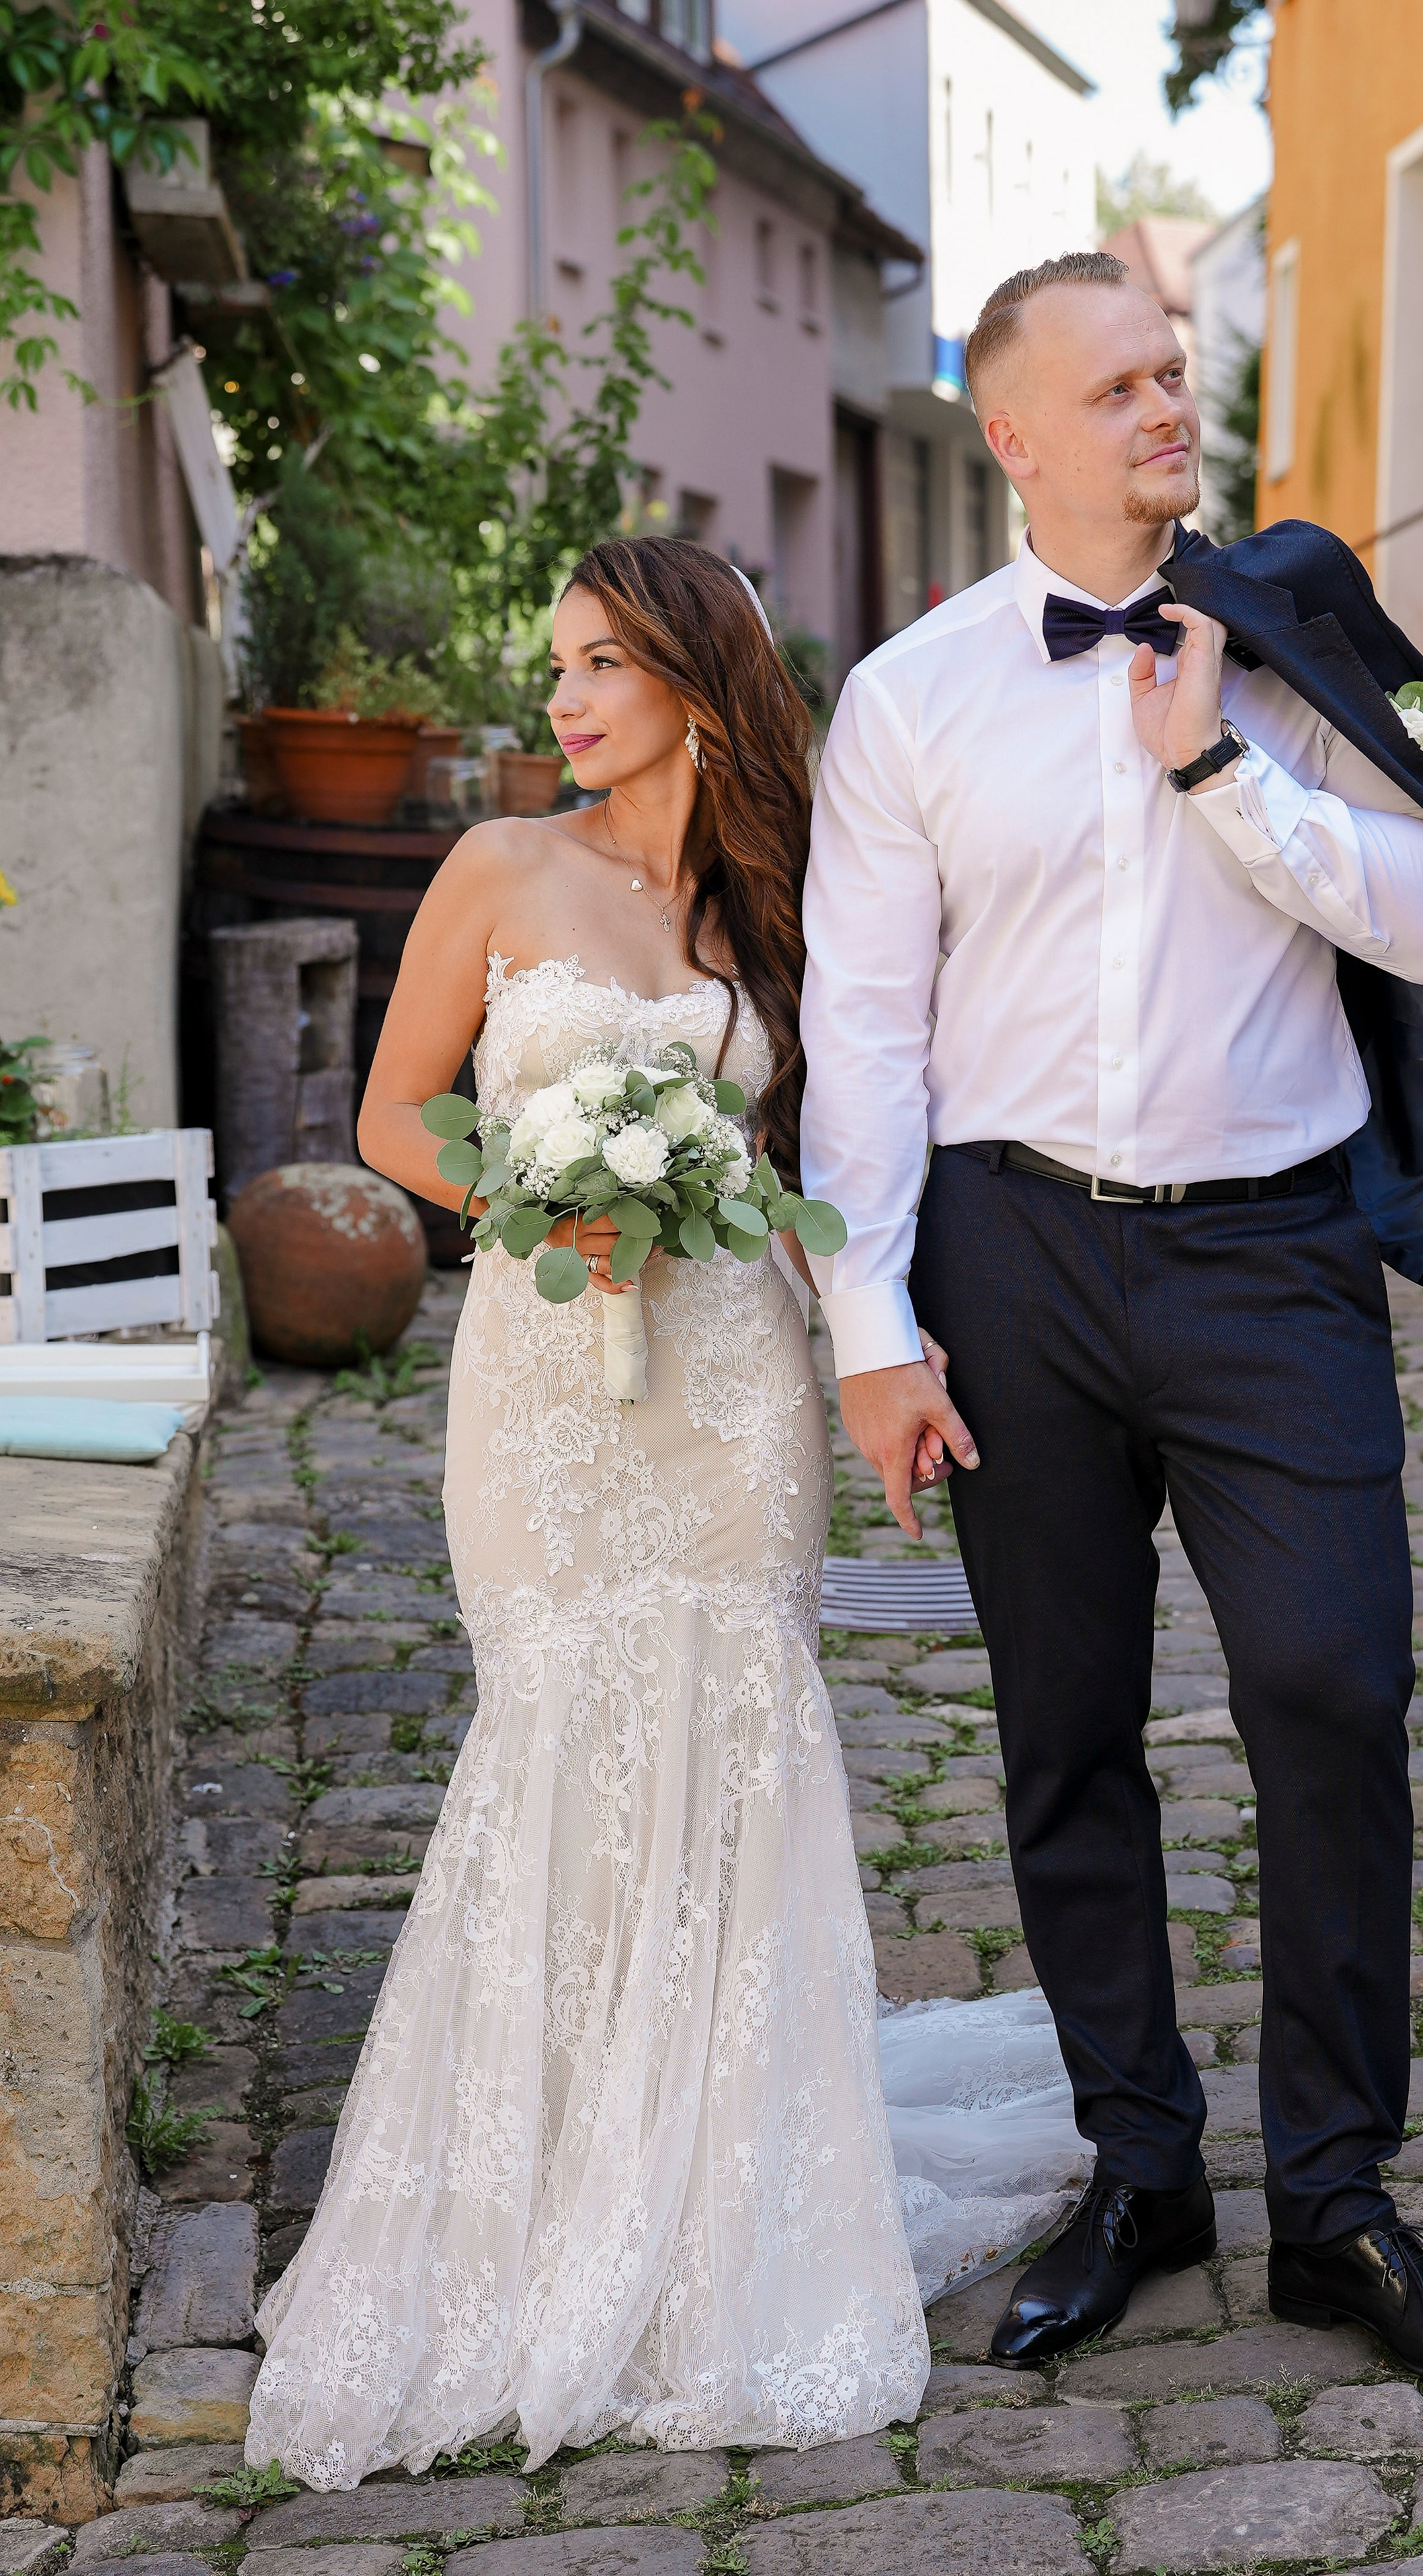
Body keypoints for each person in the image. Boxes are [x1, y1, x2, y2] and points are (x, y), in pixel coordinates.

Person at [799, 250, 1423, 2387]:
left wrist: (1225, 767)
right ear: (1011, 427)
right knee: (1066, 1731)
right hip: (1011, 1260)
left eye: (1179, 371)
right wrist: (870, 1321)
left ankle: (1337, 2200)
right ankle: (1142, 2163)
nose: (1171, 403)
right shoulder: (914, 697)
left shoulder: (1295, 637)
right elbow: (863, 1035)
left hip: (1272, 1258)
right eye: (1122, 381)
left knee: (1333, 1688)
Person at [243, 538, 942, 2485]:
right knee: (560, 1725)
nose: (563, 698)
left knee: (729, 1736)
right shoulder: (496, 868)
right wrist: (542, 1197)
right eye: (553, 660)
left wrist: (889, 1345)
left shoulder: (780, 902)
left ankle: (716, 2206)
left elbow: (842, 1142)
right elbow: (392, 1117)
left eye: (604, 663)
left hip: (736, 1382)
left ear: (702, 688)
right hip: (552, 1390)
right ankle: (537, 2198)